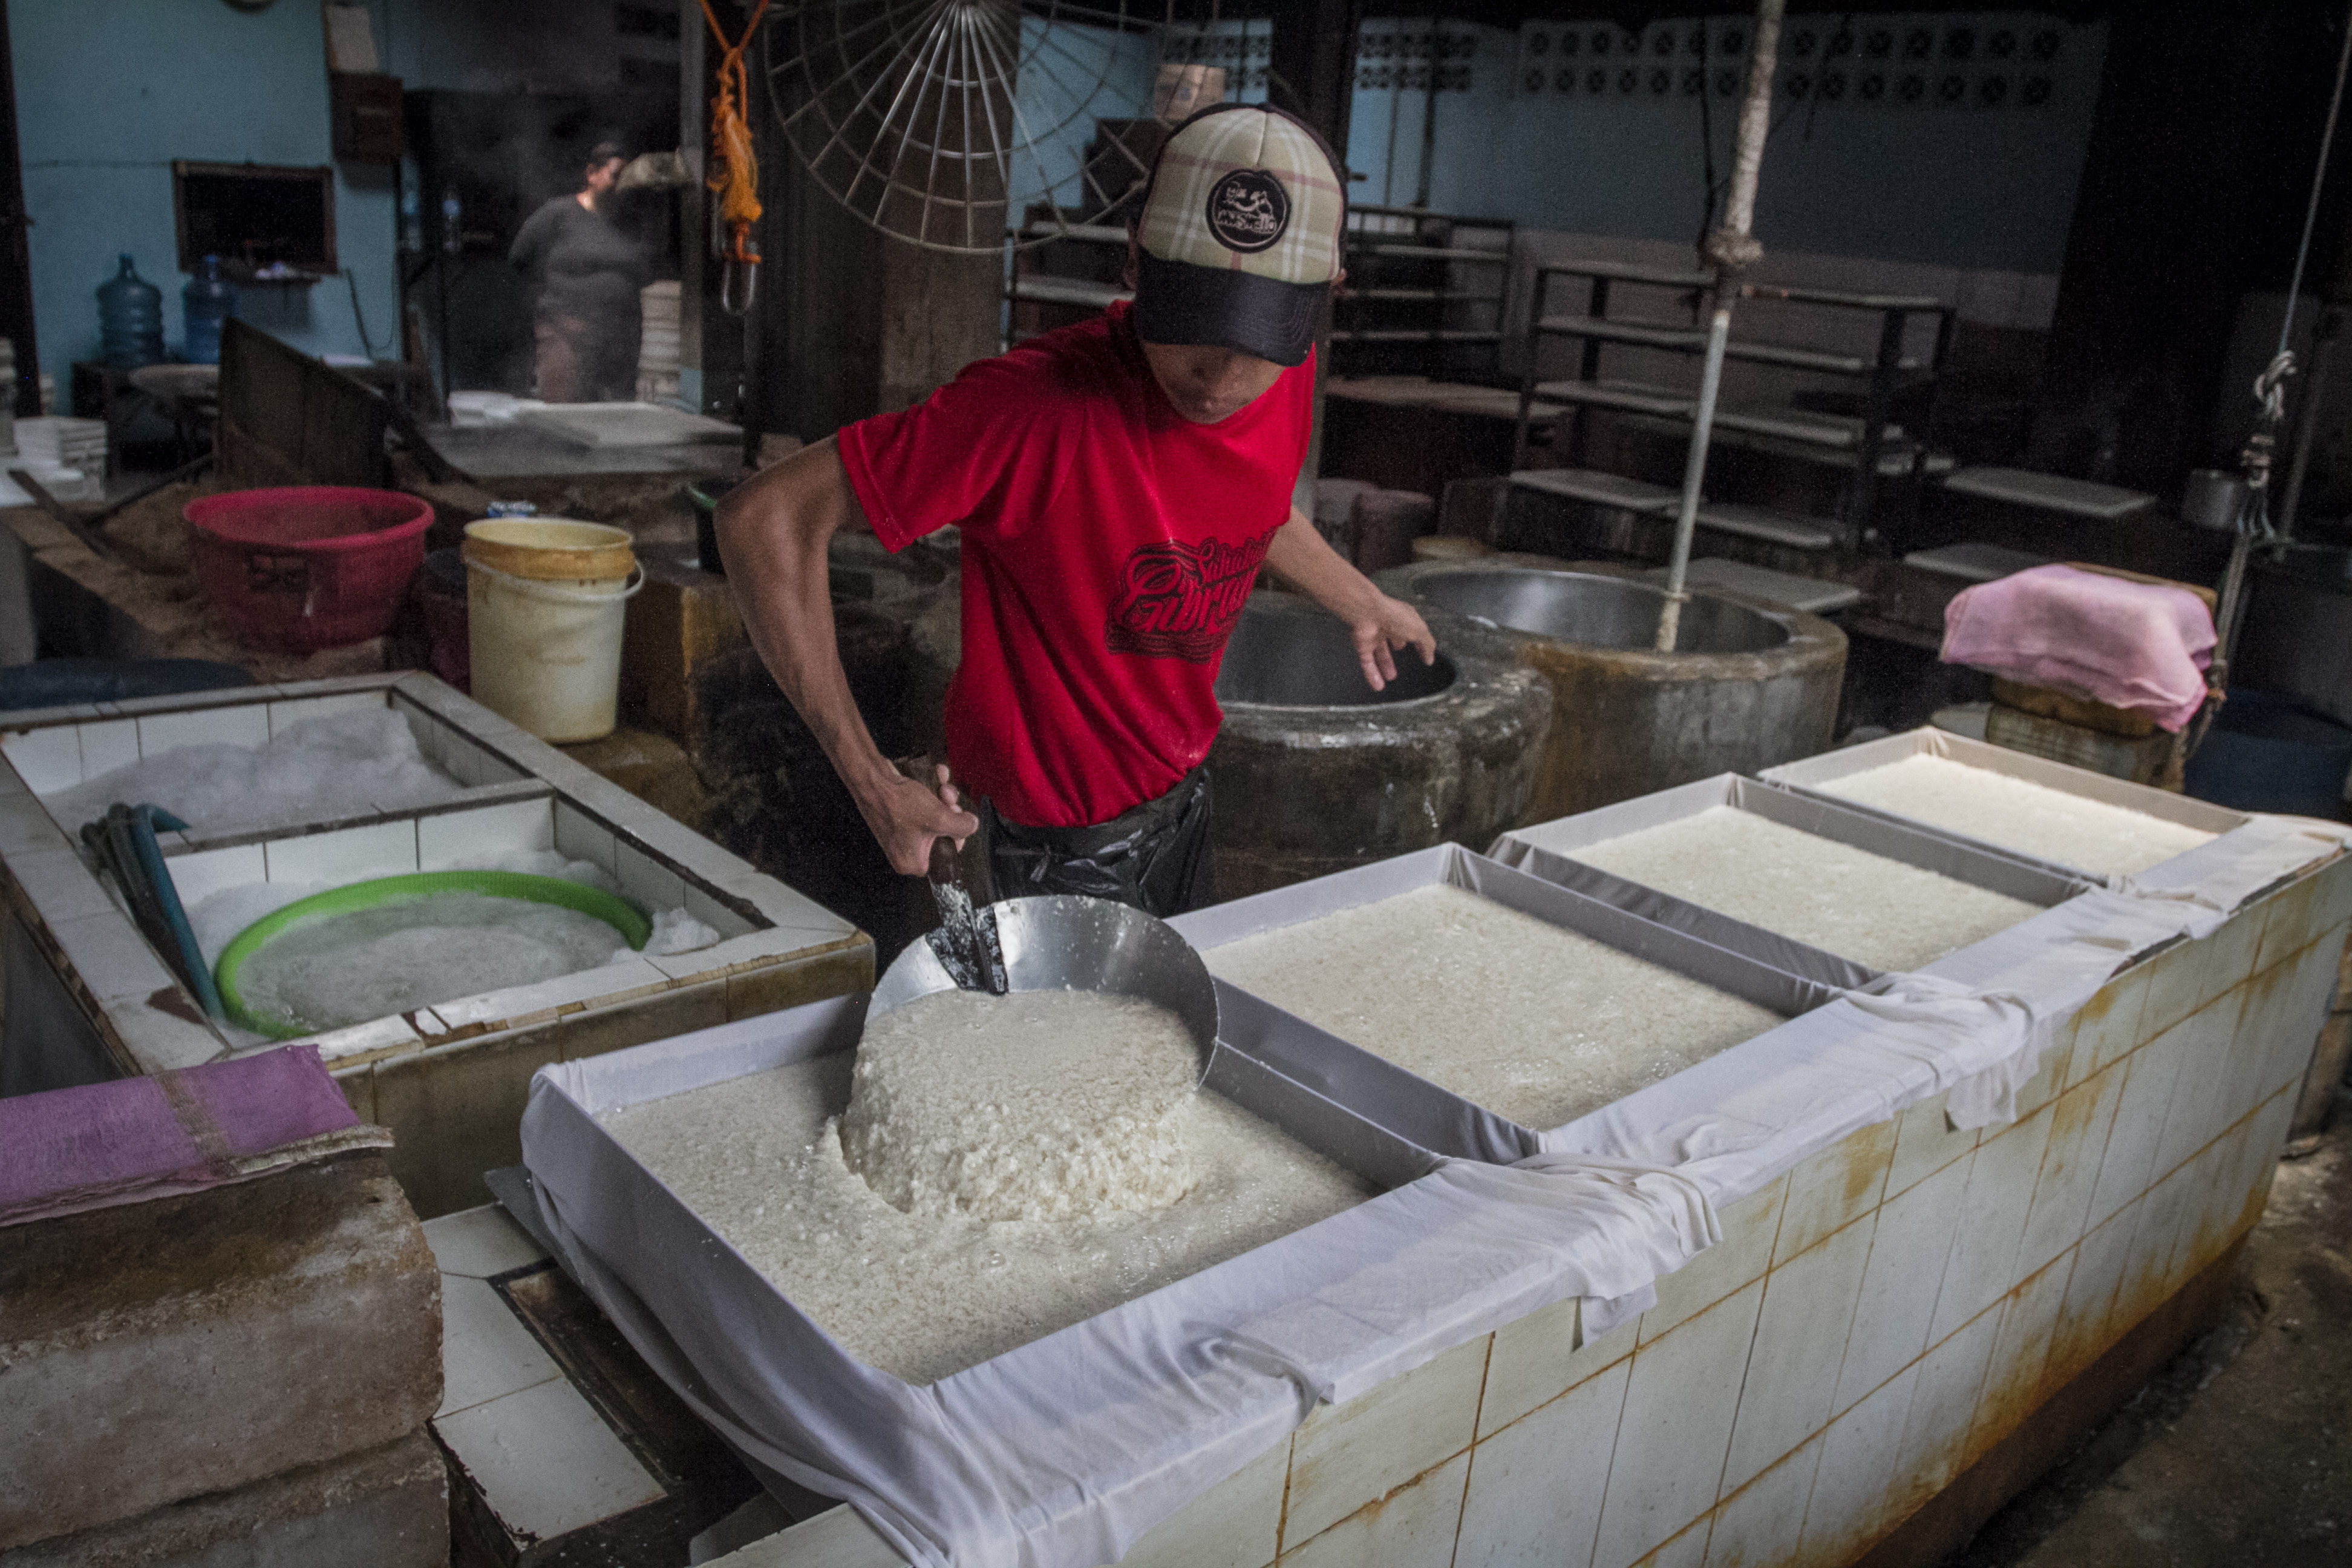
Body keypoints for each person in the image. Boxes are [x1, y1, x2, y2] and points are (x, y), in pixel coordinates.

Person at [716, 103, 1435, 918]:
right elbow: (762, 520)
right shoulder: (1028, 409)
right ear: (1135, 260)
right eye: (1195, 320)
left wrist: (1358, 597)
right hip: (1050, 845)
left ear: (1324, 296)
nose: (1222, 373)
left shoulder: (1291, 369)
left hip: (1183, 793)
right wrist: (870, 779)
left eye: (1259, 335)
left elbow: (1250, 504)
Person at [509, 142, 652, 402]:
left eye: (628, 178)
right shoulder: (558, 214)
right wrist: (552, 294)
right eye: (616, 175)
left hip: (619, 336)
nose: (623, 184)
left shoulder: (630, 221)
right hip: (567, 331)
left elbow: (645, 271)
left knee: (616, 416)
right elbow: (520, 255)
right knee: (568, 410)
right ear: (591, 174)